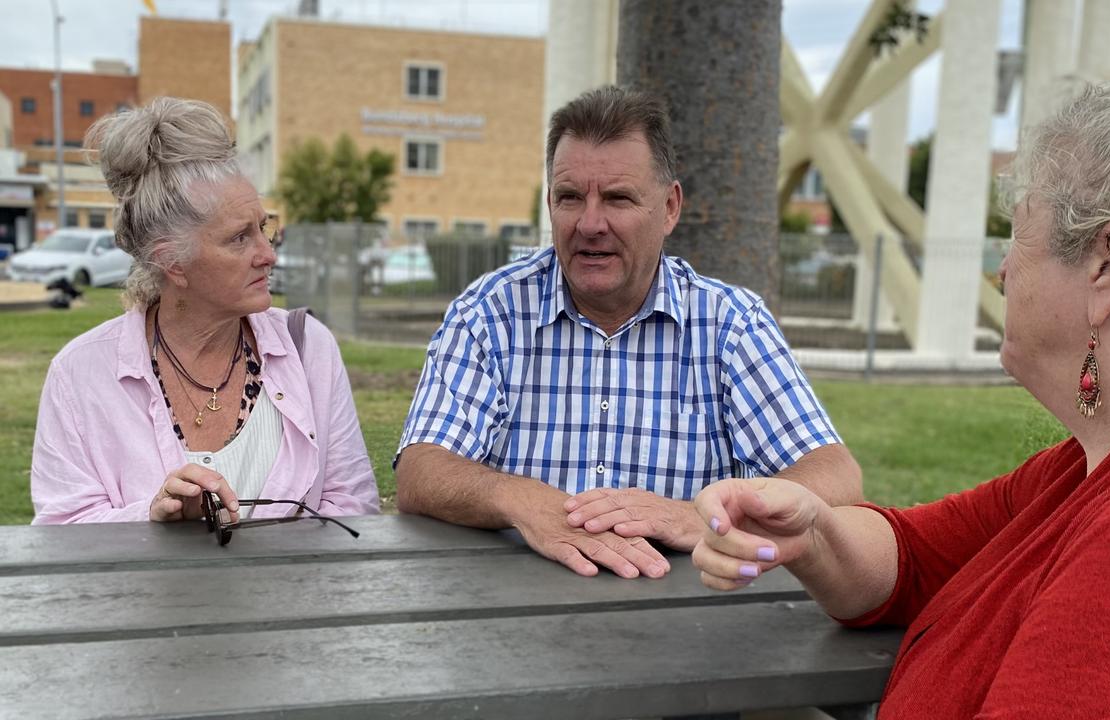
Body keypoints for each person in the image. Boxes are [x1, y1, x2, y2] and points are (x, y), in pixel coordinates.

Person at [693, 3, 1110, 716]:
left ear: (1106, 264)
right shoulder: (1107, 458)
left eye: (1015, 234)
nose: (1002, 271)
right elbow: (912, 558)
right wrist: (811, 530)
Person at [396, 86, 860, 579]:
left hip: (689, 619)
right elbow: (421, 470)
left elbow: (835, 476)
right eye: (570, 197)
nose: (590, 223)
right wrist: (521, 500)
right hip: (506, 610)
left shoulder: (730, 324)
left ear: (669, 208)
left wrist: (698, 518)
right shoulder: (489, 313)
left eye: (617, 198)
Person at [30, 97, 380, 524]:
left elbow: (354, 505)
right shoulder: (80, 374)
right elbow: (61, 530)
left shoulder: (307, 348)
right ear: (173, 262)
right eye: (239, 238)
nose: (268, 254)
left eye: (264, 228)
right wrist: (154, 519)